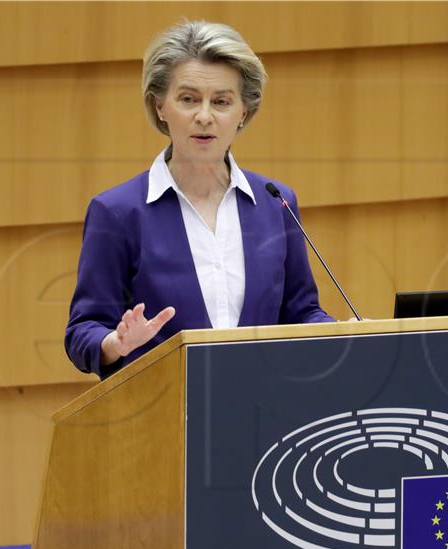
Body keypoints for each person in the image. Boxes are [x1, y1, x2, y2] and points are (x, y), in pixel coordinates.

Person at [65, 21, 334, 379]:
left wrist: (343, 334)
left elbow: (302, 312)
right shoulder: (118, 213)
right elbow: (83, 329)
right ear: (160, 106)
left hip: (265, 415)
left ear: (243, 113)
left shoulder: (276, 203)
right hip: (162, 416)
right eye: (188, 99)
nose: (204, 116)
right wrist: (115, 342)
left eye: (221, 101)